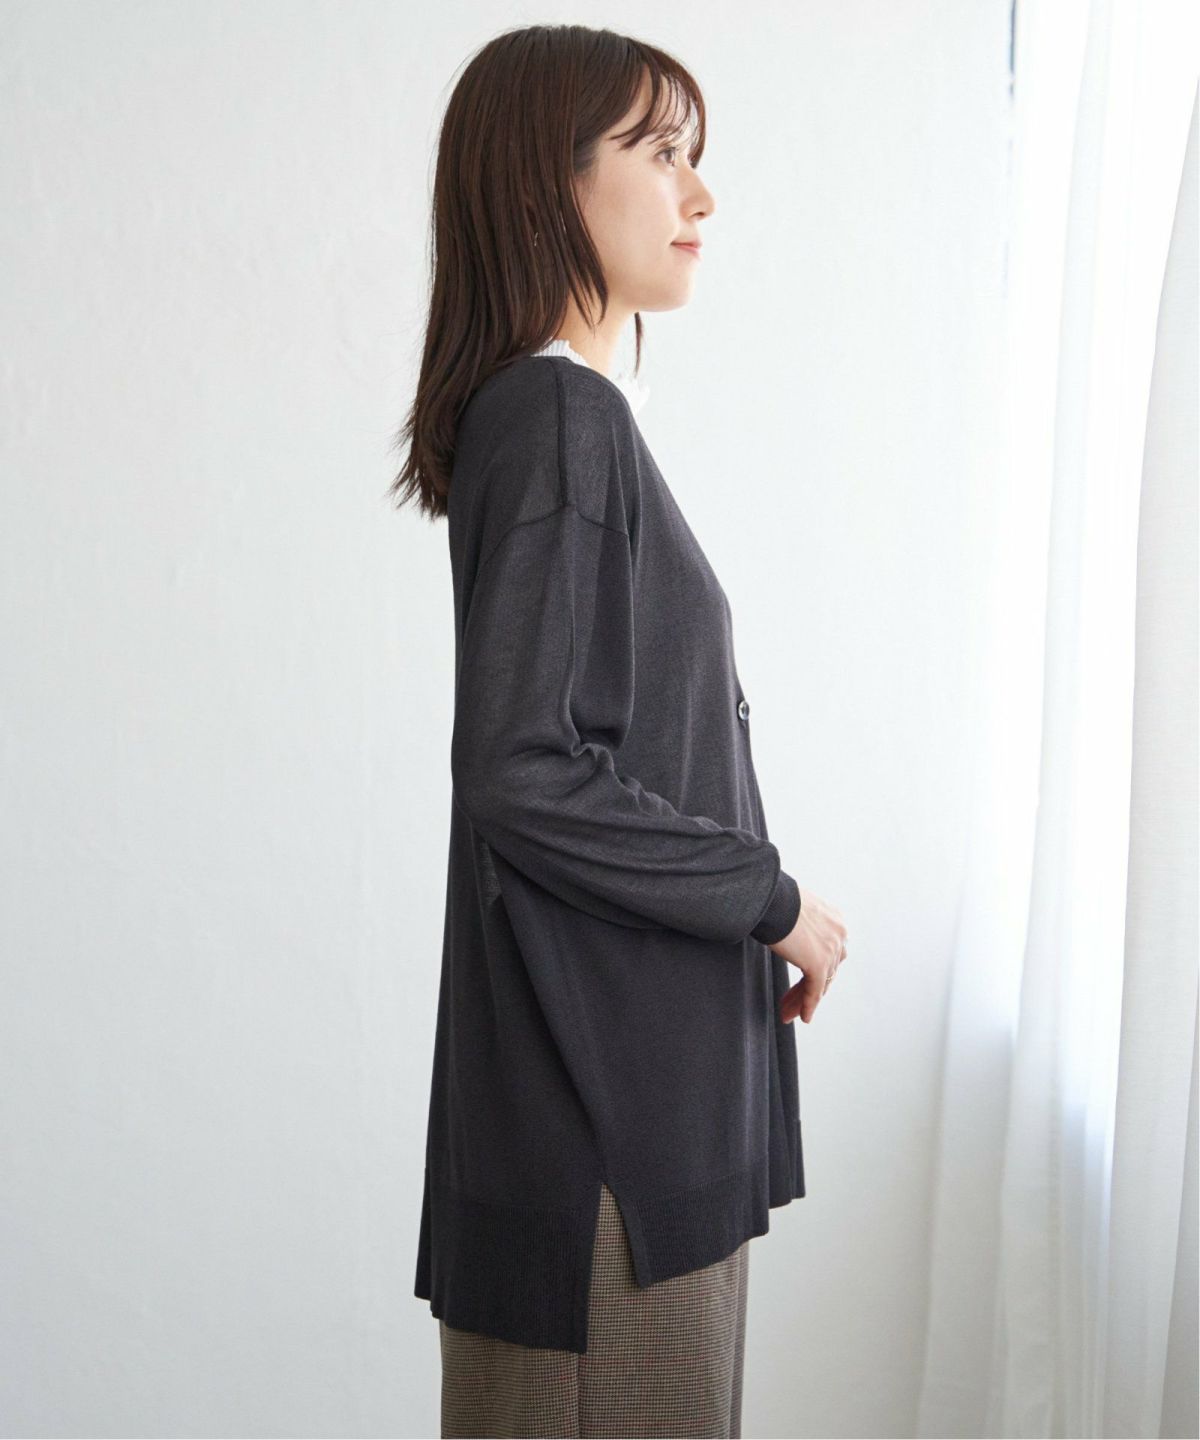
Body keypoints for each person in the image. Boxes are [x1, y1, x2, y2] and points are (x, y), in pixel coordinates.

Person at [391, 22, 849, 1439]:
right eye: (659, 154)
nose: (699, 194)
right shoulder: (555, 417)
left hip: (635, 1110)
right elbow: (522, 770)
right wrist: (770, 899)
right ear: (550, 187)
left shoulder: (576, 419)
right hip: (605, 1131)